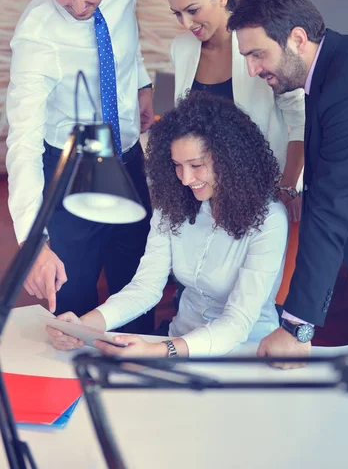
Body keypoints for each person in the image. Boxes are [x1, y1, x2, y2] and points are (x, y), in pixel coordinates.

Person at [228, 0, 348, 366]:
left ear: (297, 38)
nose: (253, 70)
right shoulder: (336, 65)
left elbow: (331, 208)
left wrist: (296, 328)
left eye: (257, 54)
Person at [46, 91, 289, 358]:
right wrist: (83, 325)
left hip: (246, 353)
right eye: (177, 166)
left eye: (196, 165)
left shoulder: (269, 220)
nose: (185, 179)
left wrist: (159, 350)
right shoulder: (174, 204)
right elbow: (146, 287)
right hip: (177, 342)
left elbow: (237, 323)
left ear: (230, 160)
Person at [6, 0, 154, 333]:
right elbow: (22, 143)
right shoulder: (36, 35)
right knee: (72, 295)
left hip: (126, 156)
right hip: (70, 166)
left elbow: (127, 35)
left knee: (137, 275)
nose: (76, 7)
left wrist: (141, 80)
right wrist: (34, 243)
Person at [165, 0, 305, 224]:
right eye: (177, 13)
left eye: (193, 10)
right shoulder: (181, 48)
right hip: (202, 199)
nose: (186, 23)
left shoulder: (259, 43)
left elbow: (300, 121)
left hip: (261, 195)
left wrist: (286, 187)